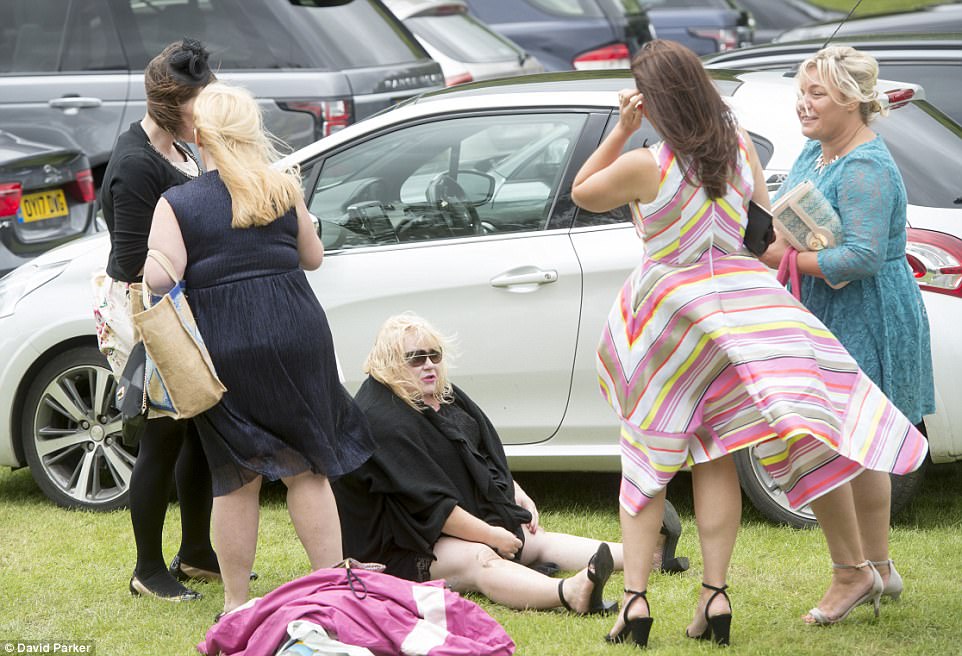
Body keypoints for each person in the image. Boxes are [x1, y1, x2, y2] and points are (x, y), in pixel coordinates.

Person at [570, 40, 927, 647]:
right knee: (714, 453)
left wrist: (621, 129)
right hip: (734, 310)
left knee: (649, 455)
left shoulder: (647, 164)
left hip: (667, 316)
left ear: (654, 100)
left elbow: (582, 190)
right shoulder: (736, 150)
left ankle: (634, 602)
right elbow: (760, 225)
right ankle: (715, 595)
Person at [143, 82, 375, 616]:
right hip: (297, 330)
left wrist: (150, 259)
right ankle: (335, 591)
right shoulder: (281, 187)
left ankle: (236, 602)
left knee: (236, 477)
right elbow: (312, 258)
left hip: (228, 341)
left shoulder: (177, 202)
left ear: (198, 135)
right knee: (309, 469)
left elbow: (160, 278)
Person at [759, 46, 935, 620]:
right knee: (851, 444)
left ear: (853, 101)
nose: (802, 103)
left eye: (817, 93)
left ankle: (858, 572)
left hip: (866, 312)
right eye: (801, 91)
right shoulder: (818, 150)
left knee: (844, 443)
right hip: (821, 309)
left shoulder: (866, 167)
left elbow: (860, 256)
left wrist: (782, 262)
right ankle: (877, 568)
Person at [332, 313, 626, 614]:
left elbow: (477, 453)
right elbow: (431, 506)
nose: (430, 364)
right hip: (394, 551)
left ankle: (643, 555)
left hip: (430, 529)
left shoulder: (435, 396)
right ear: (390, 362)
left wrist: (513, 489)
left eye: (434, 355)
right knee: (479, 558)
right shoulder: (383, 420)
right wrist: (490, 534)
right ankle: (569, 592)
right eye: (416, 358)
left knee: (534, 539)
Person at [95, 39, 218, 602]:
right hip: (148, 313)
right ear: (176, 107)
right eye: (200, 100)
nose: (208, 108)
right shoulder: (135, 164)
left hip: (180, 305)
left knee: (194, 430)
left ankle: (195, 552)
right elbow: (130, 264)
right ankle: (147, 568)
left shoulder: (180, 150)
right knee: (163, 438)